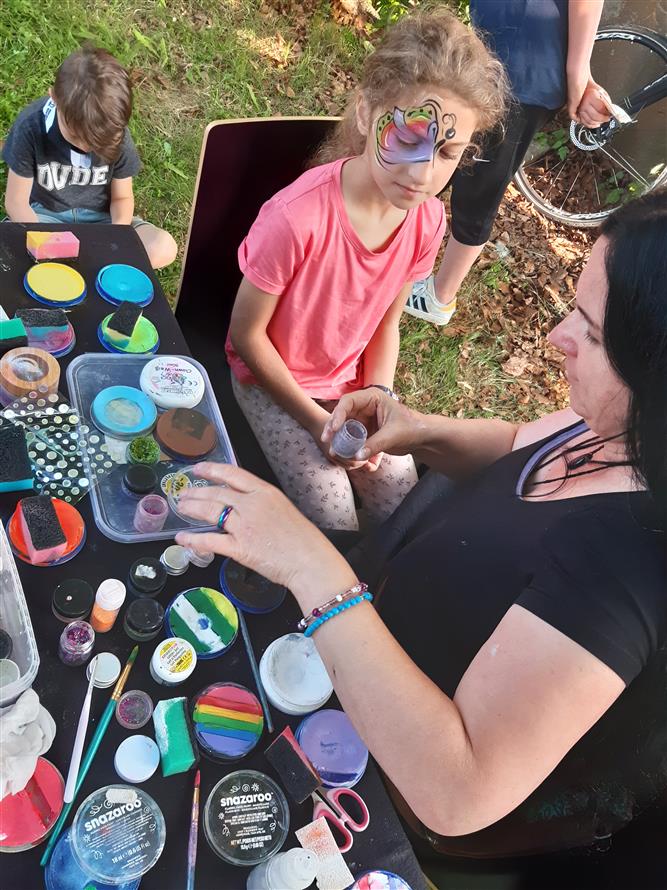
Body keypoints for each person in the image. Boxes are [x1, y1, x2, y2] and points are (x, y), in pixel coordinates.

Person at [175, 188, 667, 858]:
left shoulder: (630, 563)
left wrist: (312, 563)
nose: (557, 338)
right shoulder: (625, 424)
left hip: (382, 782)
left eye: (588, 327)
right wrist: (418, 432)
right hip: (356, 650)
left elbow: (456, 789)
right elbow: (521, 444)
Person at [224, 9, 509, 531]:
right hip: (274, 385)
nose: (423, 173)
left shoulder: (427, 221)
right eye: (407, 138)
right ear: (364, 113)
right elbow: (245, 336)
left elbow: (386, 323)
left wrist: (380, 399)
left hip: (351, 386)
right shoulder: (295, 220)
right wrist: (316, 424)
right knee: (335, 519)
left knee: (403, 506)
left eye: (447, 151)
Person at [405, 0, 612, 326]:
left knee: (479, 185)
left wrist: (578, 73)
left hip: (523, 70)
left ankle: (439, 297)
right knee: (444, 154)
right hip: (499, 55)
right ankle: (398, 255)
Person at [2, 45, 177, 270]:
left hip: (102, 223)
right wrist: (48, 244)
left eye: (96, 143)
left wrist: (114, 237)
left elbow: (122, 199)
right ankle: (81, 267)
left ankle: (91, 268)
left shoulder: (115, 133)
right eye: (76, 136)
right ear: (54, 98)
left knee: (163, 246)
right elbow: (16, 201)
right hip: (45, 219)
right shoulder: (31, 127)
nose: (85, 148)